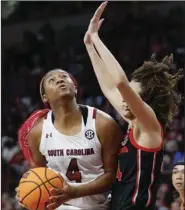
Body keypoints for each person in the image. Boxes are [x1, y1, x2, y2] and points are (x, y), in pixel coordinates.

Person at [84, 2, 183, 210]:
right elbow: (110, 89)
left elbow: (119, 83)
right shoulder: (133, 121)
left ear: (144, 98)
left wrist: (96, 38)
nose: (123, 95)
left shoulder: (150, 123)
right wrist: (89, 47)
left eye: (131, 92)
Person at [16, 69, 122, 210]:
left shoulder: (103, 124)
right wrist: (26, 191)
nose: (60, 80)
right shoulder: (38, 133)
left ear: (75, 89)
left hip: (97, 206)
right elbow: (37, 176)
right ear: (44, 97)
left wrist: (75, 192)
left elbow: (112, 175)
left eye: (64, 77)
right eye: (52, 80)